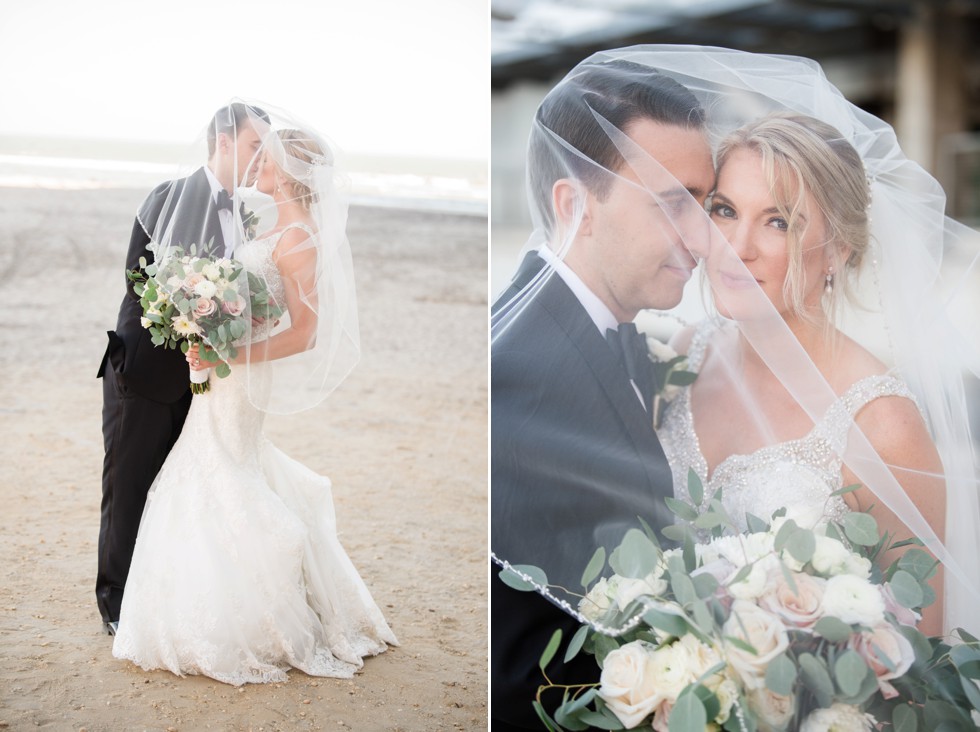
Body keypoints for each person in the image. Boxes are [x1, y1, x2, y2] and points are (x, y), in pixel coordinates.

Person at [111, 118, 397, 685]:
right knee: (213, 468)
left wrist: (230, 355)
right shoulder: (272, 224)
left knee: (217, 471)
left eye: (266, 159)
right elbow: (251, 304)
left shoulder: (299, 238)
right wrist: (207, 322)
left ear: (288, 172)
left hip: (237, 376)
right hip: (221, 372)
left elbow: (306, 333)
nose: (257, 166)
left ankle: (249, 614)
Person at [490, 58, 715, 729]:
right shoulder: (517, 376)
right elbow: (514, 664)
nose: (702, 237)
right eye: (673, 202)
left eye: (705, 202)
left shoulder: (622, 339)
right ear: (574, 205)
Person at [659, 113, 948, 633]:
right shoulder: (687, 355)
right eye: (724, 210)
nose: (737, 246)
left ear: (838, 249)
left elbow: (924, 649)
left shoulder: (883, 425)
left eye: (779, 222)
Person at [96, 102, 268, 635]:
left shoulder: (245, 215)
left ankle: (161, 598)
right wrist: (193, 316)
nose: (260, 158)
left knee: (176, 494)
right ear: (222, 142)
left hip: (208, 381)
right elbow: (140, 283)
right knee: (129, 487)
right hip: (145, 370)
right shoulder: (168, 196)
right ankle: (116, 606)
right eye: (252, 146)